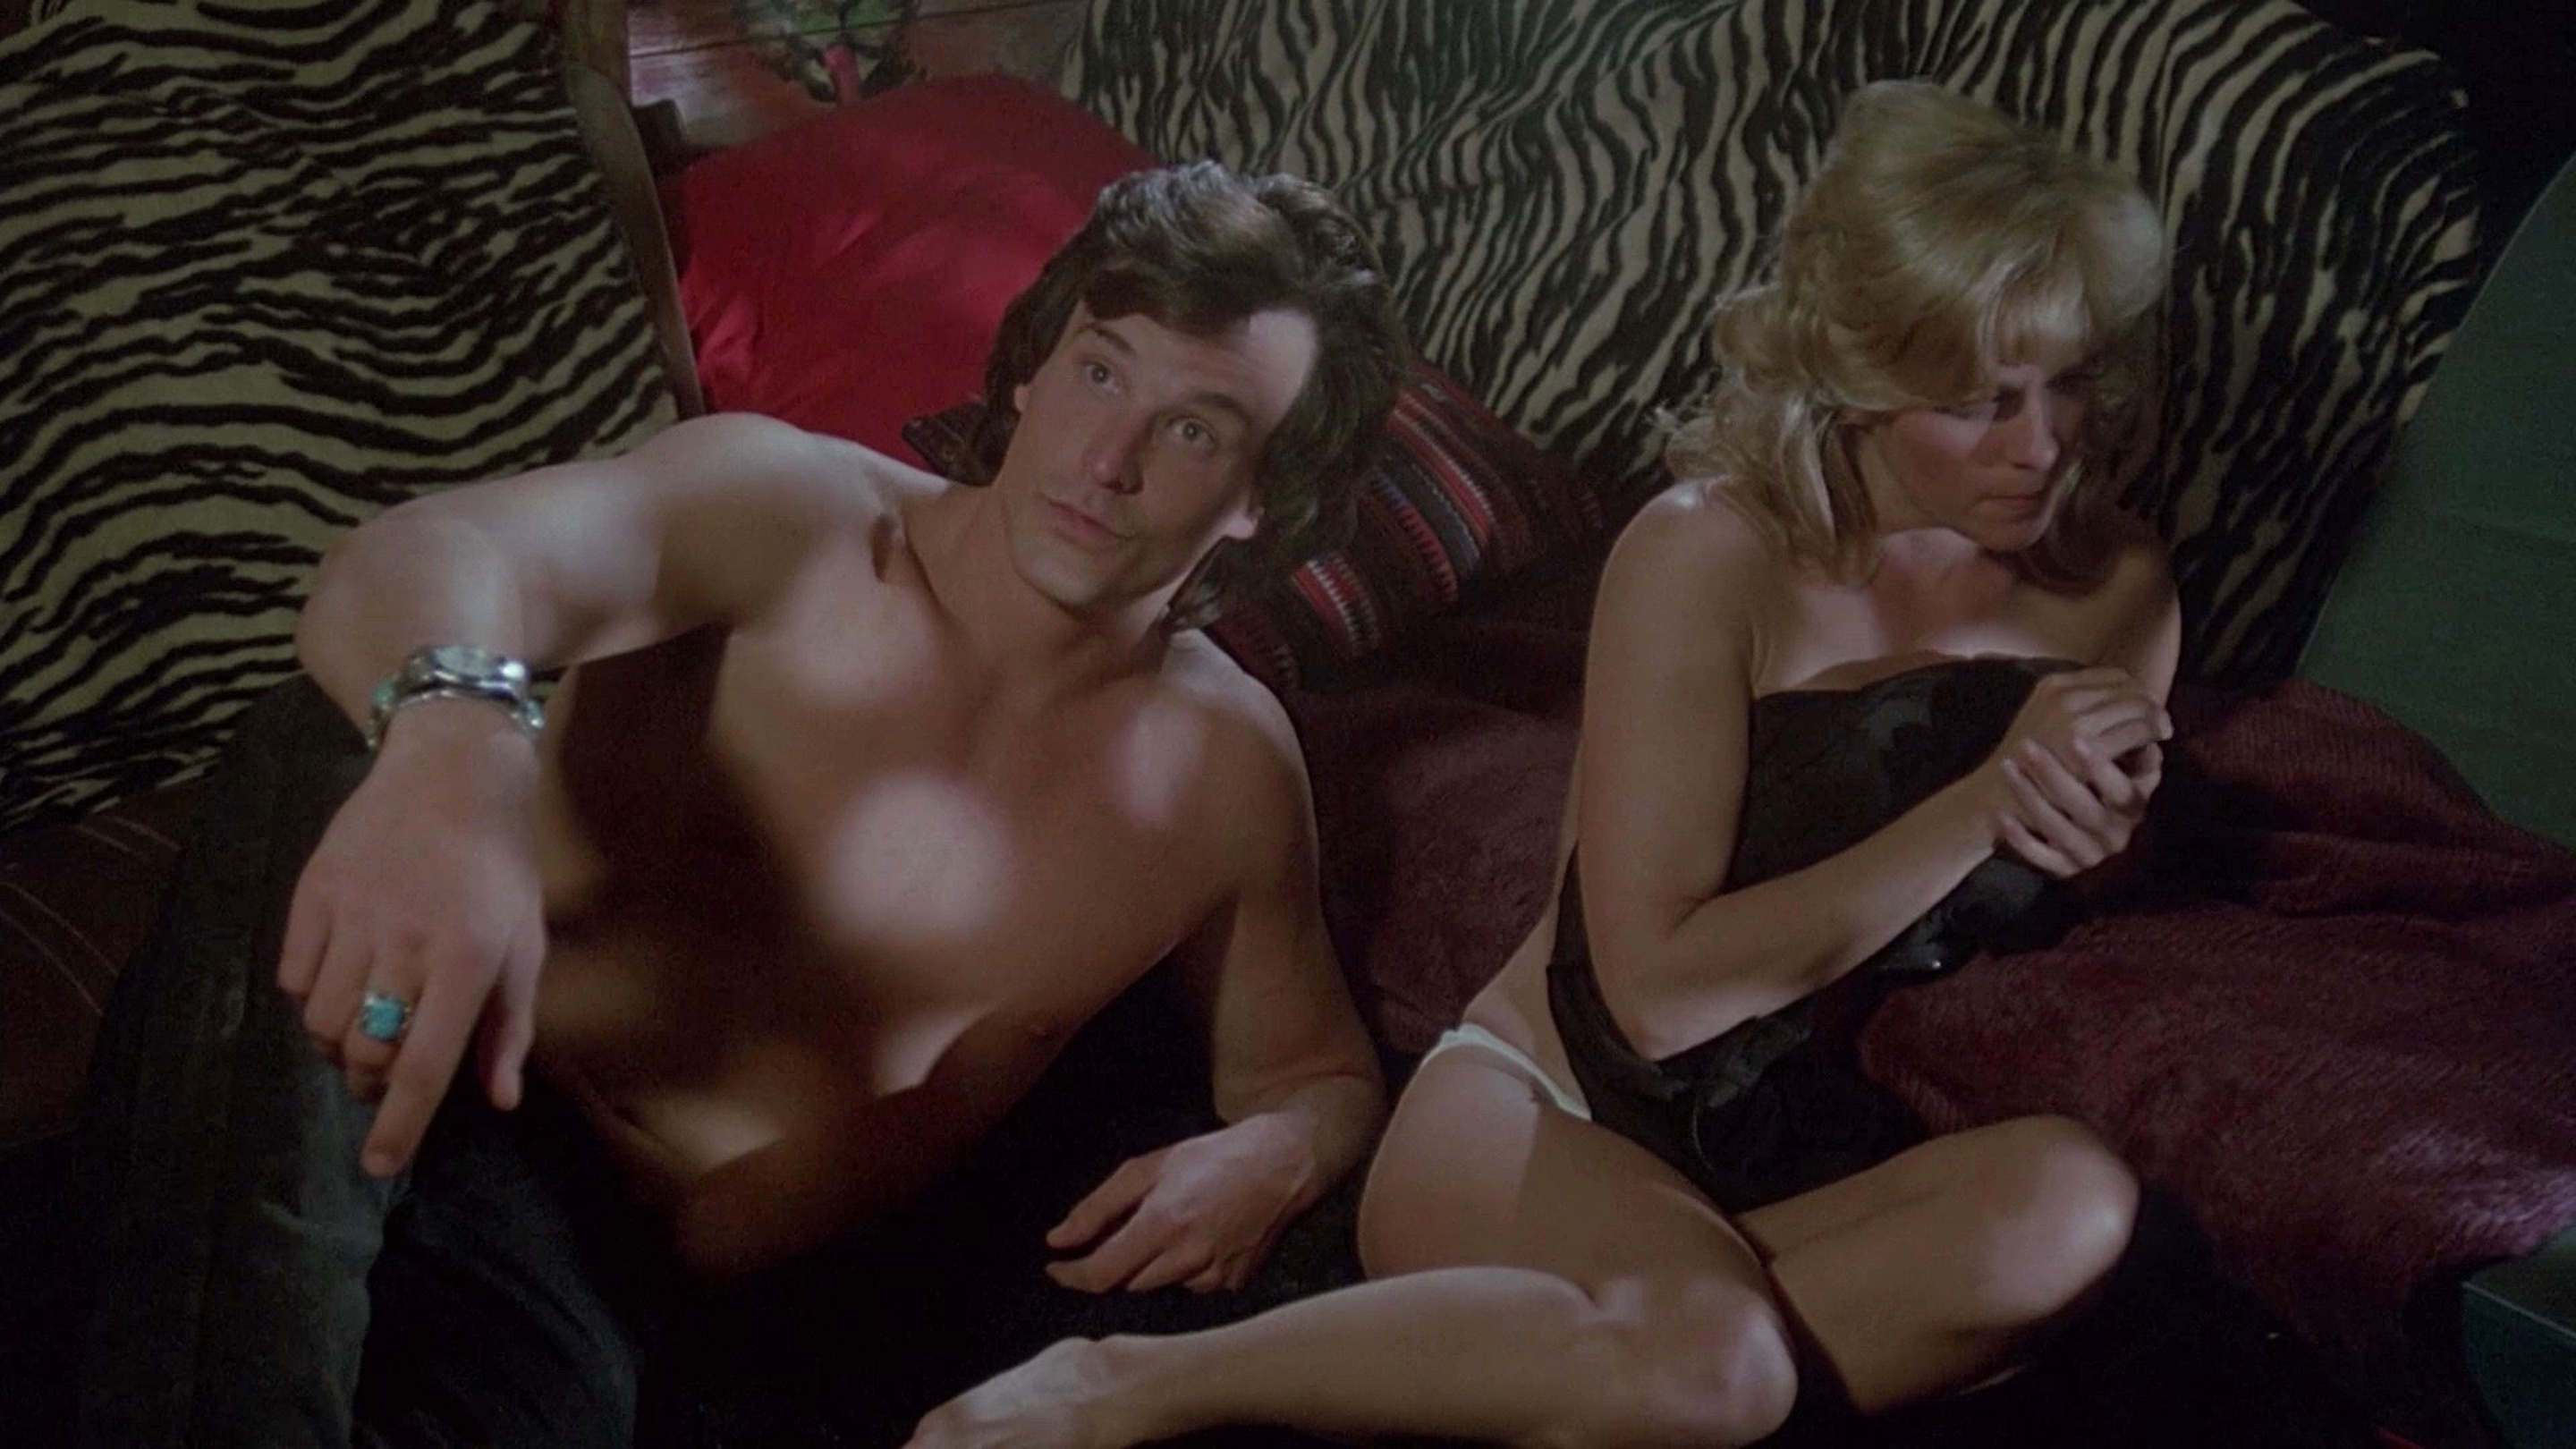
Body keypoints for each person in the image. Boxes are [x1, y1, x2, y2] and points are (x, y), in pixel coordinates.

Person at [906, 80, 2190, 1449]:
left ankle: (1578, 1368)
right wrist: (1983, 805)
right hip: (1548, 1107)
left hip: (1789, 1145)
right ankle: (1129, 1386)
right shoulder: (1709, 553)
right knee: (1723, 1366)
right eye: (1984, 402)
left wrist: (2099, 838)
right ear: (1866, 384)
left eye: (2071, 381)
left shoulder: (2118, 592)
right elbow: (1651, 996)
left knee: (2071, 1205)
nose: (2043, 445)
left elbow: (2065, 883)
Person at [75, 159, 1405, 1447]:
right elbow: (438, 549)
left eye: (1191, 430)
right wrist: (453, 748)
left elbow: (1316, 1071)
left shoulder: (1224, 776)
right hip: (403, 1034)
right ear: (1032, 365)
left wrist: (1284, 1152)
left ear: (1262, 499)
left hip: (597, 1279)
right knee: (337, 735)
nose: (1106, 459)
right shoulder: (792, 515)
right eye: (1100, 370)